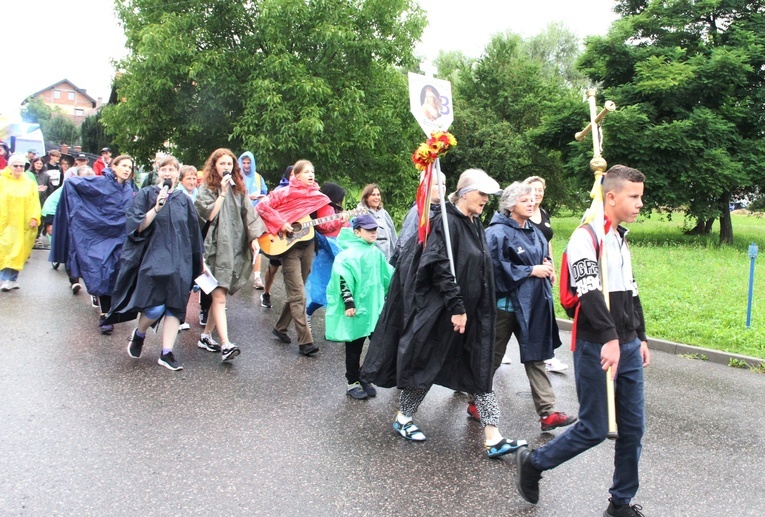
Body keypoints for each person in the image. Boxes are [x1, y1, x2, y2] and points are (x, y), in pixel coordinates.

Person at [362, 169, 526, 458]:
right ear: (465, 193)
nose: (486, 200)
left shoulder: (474, 222)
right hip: (448, 314)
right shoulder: (446, 224)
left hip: (473, 314)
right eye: (482, 193)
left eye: (489, 195)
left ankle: (493, 437)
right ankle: (403, 417)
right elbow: (438, 266)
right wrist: (457, 307)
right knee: (428, 364)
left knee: (479, 367)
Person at [516, 165, 651, 517]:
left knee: (633, 429)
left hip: (629, 346)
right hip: (597, 344)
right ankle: (534, 462)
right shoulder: (585, 238)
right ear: (611, 196)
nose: (640, 204)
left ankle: (620, 502)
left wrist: (640, 336)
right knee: (594, 428)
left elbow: (631, 291)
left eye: (640, 196)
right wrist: (609, 339)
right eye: (633, 197)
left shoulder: (619, 237)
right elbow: (588, 292)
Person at [481, 182, 577, 432]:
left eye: (533, 199)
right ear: (511, 205)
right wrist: (531, 270)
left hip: (533, 305)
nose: (532, 203)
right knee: (492, 358)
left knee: (536, 357)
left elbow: (541, 256)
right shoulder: (496, 232)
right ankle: (475, 400)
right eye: (526, 200)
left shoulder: (533, 230)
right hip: (505, 307)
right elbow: (493, 269)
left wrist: (547, 267)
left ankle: (548, 413)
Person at [106, 155, 204, 371]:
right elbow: (137, 227)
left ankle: (166, 353)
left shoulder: (183, 200)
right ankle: (139, 333)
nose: (168, 173)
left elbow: (193, 234)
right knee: (154, 308)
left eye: (172, 169)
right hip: (153, 260)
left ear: (178, 173)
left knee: (175, 308)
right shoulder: (146, 195)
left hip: (180, 262)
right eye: (164, 169)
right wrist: (156, 208)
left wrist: (201, 261)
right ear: (158, 172)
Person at [256, 159, 347, 356]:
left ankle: (280, 327)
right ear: (296, 175)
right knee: (299, 294)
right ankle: (305, 342)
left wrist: (340, 220)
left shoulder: (318, 198)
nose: (311, 174)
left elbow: (323, 227)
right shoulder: (283, 193)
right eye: (306, 172)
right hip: (286, 247)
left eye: (312, 171)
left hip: (308, 245)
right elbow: (262, 208)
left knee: (298, 291)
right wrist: (281, 223)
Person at [51, 155, 136, 333]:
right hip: (100, 237)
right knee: (103, 272)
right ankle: (105, 315)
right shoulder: (99, 182)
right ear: (114, 167)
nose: (127, 169)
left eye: (130, 166)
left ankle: (110, 309)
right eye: (124, 165)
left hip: (121, 238)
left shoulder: (129, 189)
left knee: (118, 274)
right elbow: (71, 185)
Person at [194, 148, 265, 362]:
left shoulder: (239, 189)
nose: (226, 168)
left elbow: (249, 215)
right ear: (214, 166)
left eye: (229, 164)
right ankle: (225, 344)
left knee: (221, 296)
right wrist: (222, 193)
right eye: (222, 164)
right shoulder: (206, 188)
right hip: (213, 249)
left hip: (233, 247)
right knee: (219, 296)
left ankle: (206, 336)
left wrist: (253, 240)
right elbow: (206, 214)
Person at [325, 215, 393, 399]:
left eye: (375, 229)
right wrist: (348, 303)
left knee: (379, 347)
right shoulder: (347, 255)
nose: (374, 232)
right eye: (369, 229)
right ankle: (352, 382)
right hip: (355, 311)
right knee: (354, 348)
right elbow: (342, 278)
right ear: (357, 232)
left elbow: (387, 275)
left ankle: (365, 375)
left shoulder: (376, 253)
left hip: (374, 309)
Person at [522, 175, 568, 372]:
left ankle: (548, 356)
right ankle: (497, 351)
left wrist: (553, 268)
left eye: (541, 189)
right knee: (516, 316)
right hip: (526, 274)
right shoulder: (522, 212)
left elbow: (548, 242)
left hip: (544, 272)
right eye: (534, 189)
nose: (538, 193)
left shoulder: (544, 213)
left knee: (544, 315)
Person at [305, 181, 348, 330]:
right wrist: (340, 220)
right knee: (324, 288)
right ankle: (307, 315)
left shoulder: (332, 208)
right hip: (327, 252)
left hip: (334, 250)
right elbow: (325, 226)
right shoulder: (325, 207)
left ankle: (332, 326)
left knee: (336, 289)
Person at [44, 166, 95, 292]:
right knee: (70, 252)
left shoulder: (94, 191)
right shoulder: (66, 189)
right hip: (69, 226)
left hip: (86, 228)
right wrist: (50, 223)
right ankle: (74, 280)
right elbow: (51, 204)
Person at [0, 154, 41, 291]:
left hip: (23, 223)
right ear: (9, 166)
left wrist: (34, 217)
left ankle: (12, 279)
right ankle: (5, 279)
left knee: (19, 251)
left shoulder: (29, 183)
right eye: (15, 165)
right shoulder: (2, 180)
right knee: (6, 250)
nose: (18, 168)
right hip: (5, 222)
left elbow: (35, 202)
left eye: (21, 166)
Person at [392, 170, 445, 267]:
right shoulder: (418, 212)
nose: (442, 187)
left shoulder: (446, 212)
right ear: (425, 187)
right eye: (437, 184)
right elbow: (406, 244)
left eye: (444, 184)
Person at [259, 165, 293, 309]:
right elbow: (266, 211)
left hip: (294, 237)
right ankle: (266, 293)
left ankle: (293, 301)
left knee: (292, 269)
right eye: (292, 175)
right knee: (273, 268)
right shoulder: (279, 191)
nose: (295, 178)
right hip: (278, 234)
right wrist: (280, 224)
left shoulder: (304, 193)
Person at [238, 151, 268, 289]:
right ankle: (233, 276)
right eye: (243, 162)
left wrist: (260, 197)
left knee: (257, 247)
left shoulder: (258, 177)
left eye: (248, 162)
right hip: (239, 216)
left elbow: (265, 193)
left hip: (255, 216)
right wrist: (248, 197)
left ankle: (257, 278)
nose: (246, 165)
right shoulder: (236, 177)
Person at [357, 184, 397, 261]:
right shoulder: (362, 213)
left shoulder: (384, 213)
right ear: (366, 198)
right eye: (373, 195)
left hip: (387, 258)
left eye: (378, 195)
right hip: (371, 259)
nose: (377, 197)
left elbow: (392, 235)